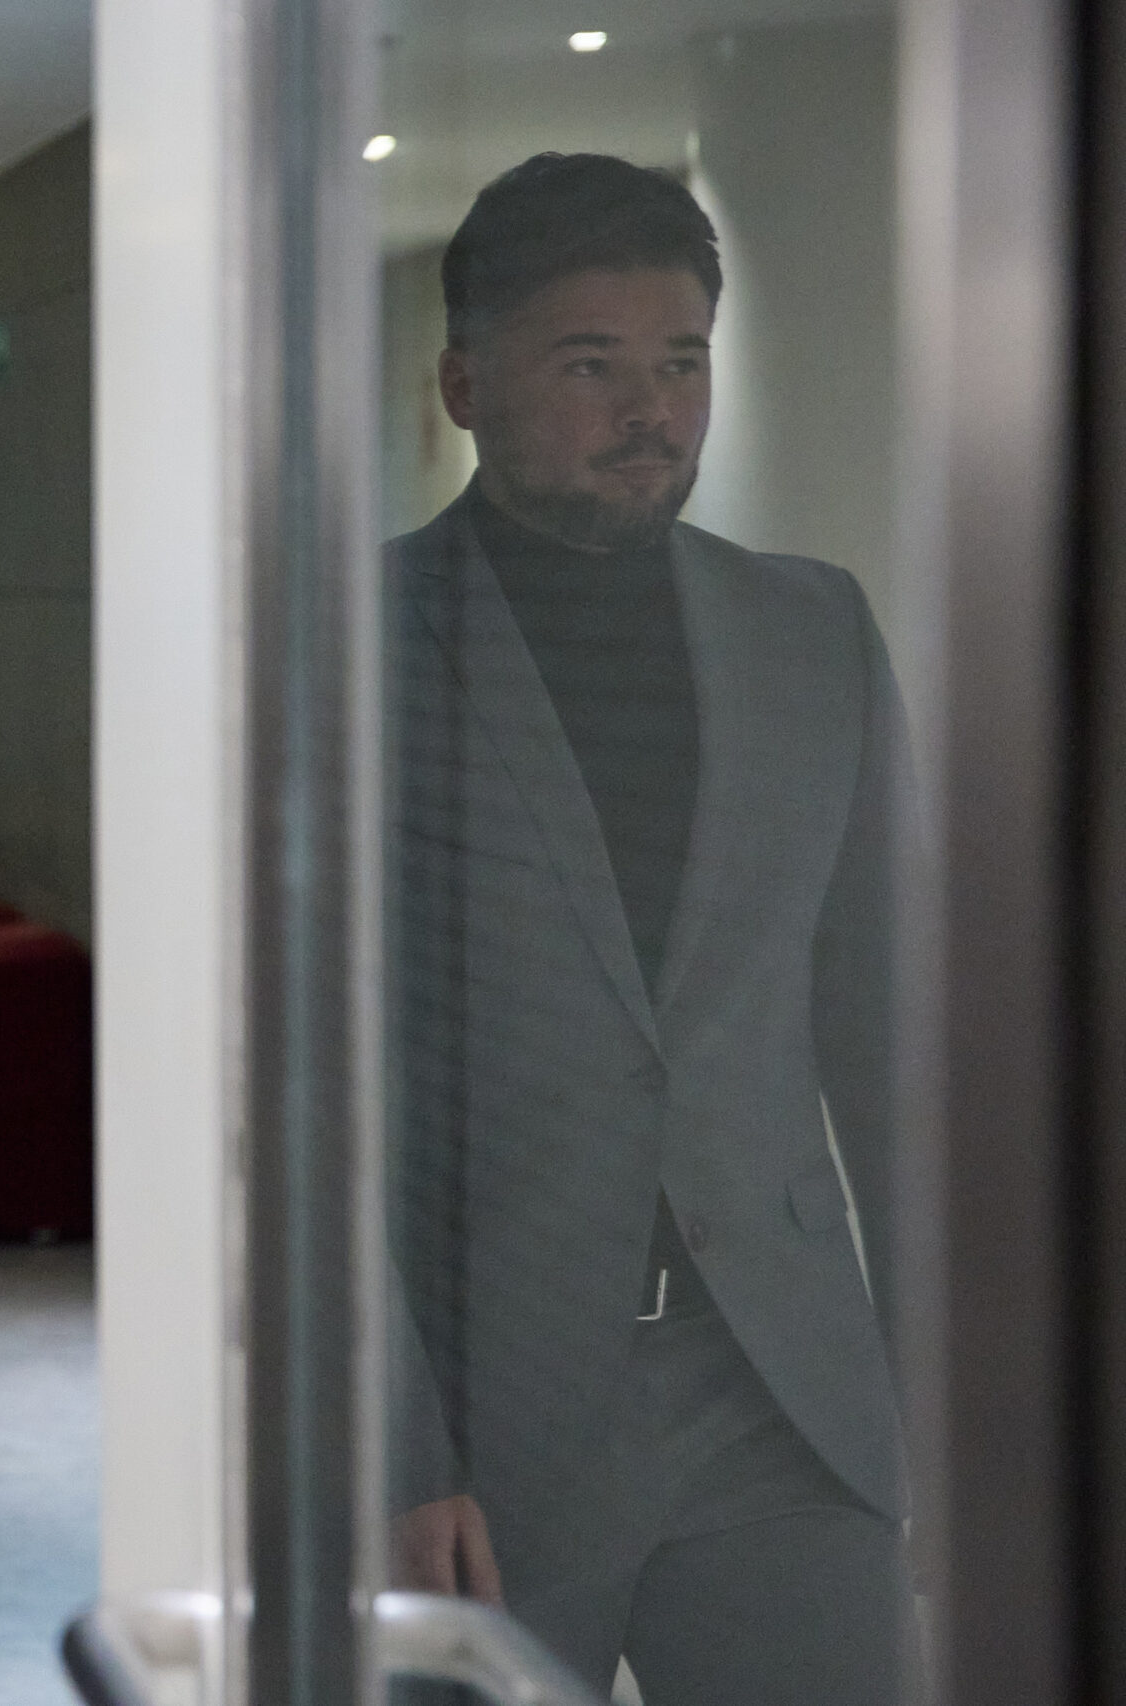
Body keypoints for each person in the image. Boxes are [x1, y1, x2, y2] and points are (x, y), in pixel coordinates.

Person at [384, 153, 915, 1701]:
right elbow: (301, 1103)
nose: (652, 409)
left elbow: (894, 1046)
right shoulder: (345, 647)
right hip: (488, 1414)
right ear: (465, 385)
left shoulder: (814, 631)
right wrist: (392, 1447)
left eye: (682, 362)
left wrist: (954, 1398)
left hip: (782, 1393)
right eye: (590, 365)